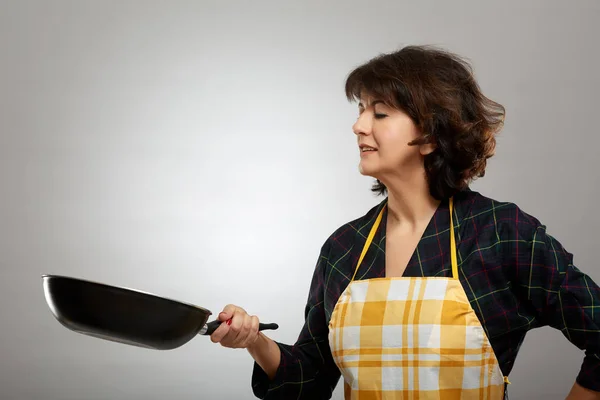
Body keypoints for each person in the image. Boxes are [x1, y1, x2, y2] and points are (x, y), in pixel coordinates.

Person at [209, 45, 600, 399]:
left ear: (431, 134)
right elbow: (309, 381)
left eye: (379, 112)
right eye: (361, 110)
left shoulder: (499, 234)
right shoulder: (345, 248)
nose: (359, 125)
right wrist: (253, 341)